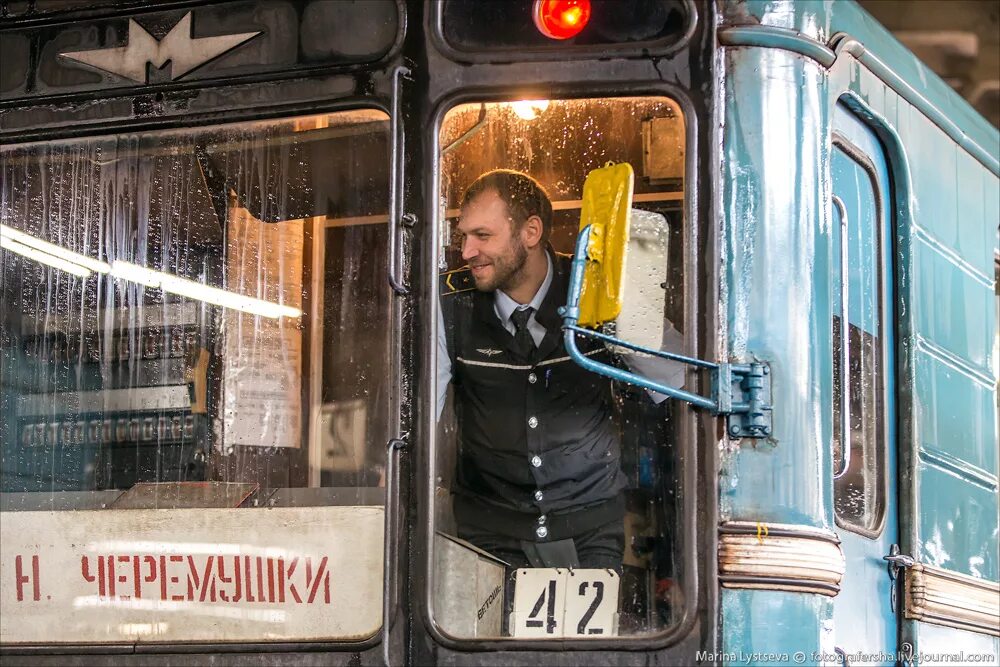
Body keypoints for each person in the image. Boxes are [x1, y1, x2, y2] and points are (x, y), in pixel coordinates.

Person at [437, 169, 628, 571]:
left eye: (482, 236)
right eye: (463, 237)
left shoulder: (597, 287)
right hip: (489, 529)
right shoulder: (446, 304)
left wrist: (629, 303)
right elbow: (418, 420)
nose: (467, 251)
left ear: (531, 232)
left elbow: (673, 379)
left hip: (590, 522)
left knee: (589, 639)